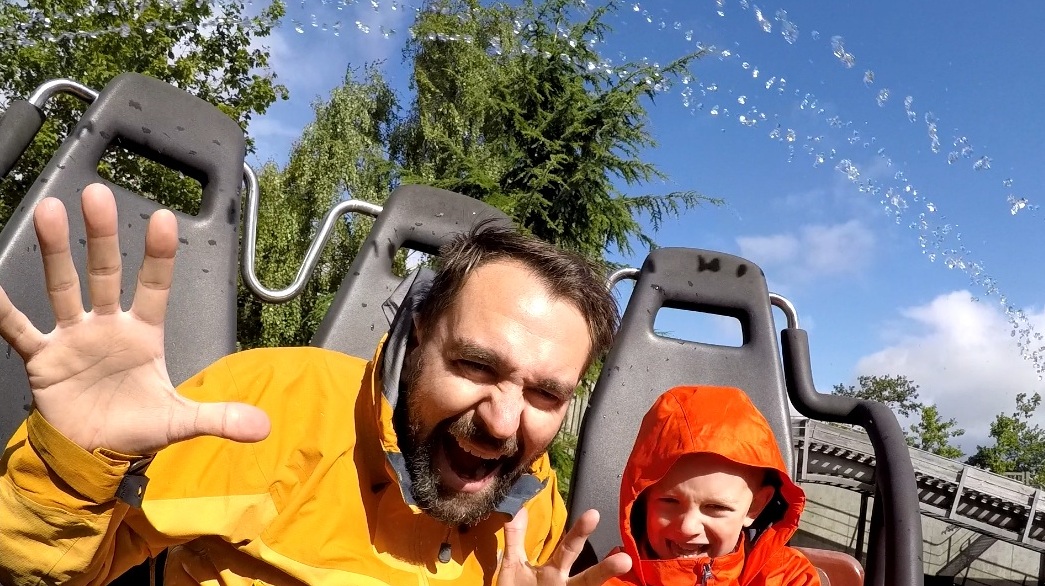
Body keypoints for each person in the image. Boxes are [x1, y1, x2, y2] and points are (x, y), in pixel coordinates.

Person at [0, 184, 632, 585]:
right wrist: (68, 476)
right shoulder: (267, 407)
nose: (503, 422)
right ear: (418, 335)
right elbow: (51, 576)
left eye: (545, 394)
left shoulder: (532, 503)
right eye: (475, 366)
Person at [605, 386, 820, 586]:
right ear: (644, 498)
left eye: (716, 507)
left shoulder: (786, 577)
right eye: (669, 501)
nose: (688, 528)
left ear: (755, 506)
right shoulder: (612, 576)